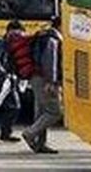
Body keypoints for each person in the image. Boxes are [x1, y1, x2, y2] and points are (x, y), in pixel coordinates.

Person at [22, 18, 63, 154]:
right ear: (60, 25)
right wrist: (51, 82)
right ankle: (30, 133)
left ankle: (40, 144)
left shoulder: (43, 36)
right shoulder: (53, 39)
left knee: (41, 112)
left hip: (36, 77)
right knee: (54, 111)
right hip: (44, 79)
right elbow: (50, 62)